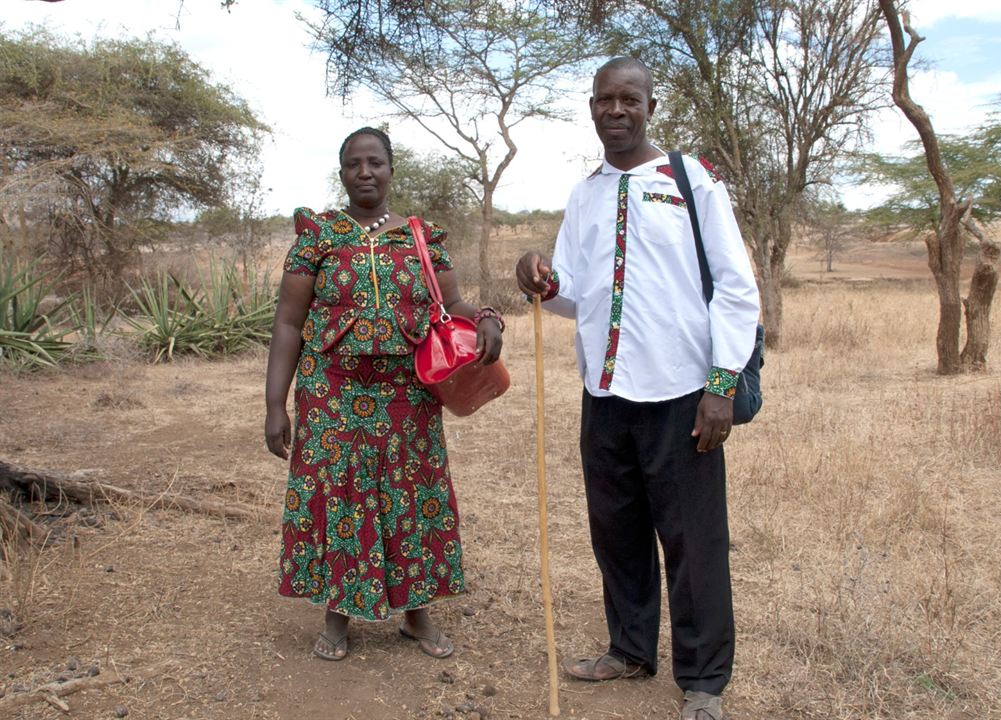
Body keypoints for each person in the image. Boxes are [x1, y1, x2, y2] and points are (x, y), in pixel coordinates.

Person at [515, 58, 759, 720]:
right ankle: (629, 650)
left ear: (652, 105)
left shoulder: (691, 182)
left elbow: (737, 288)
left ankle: (703, 681)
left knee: (692, 543)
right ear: (591, 107)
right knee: (615, 532)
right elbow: (575, 297)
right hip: (605, 394)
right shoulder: (585, 193)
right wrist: (539, 277)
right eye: (604, 100)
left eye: (629, 99)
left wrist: (719, 387)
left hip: (682, 394)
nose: (615, 110)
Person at [265, 126, 504, 662]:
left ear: (392, 169)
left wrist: (486, 317)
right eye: (354, 164)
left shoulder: (421, 236)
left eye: (375, 162)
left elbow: (454, 304)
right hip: (332, 392)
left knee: (411, 496)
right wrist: (273, 404)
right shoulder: (317, 237)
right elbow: (287, 323)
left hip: (406, 393)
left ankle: (416, 615)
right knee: (339, 495)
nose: (365, 172)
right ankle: (337, 614)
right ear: (342, 172)